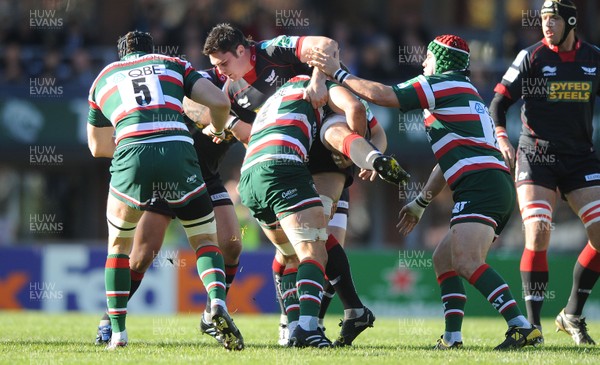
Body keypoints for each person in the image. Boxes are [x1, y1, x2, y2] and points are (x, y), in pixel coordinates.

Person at [309, 34, 543, 350]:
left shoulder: (442, 84)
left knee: (466, 261)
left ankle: (520, 326)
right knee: (444, 259)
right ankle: (452, 338)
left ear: (442, 61)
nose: (423, 63)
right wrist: (421, 202)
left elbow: (384, 95)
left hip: (481, 184)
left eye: (429, 57)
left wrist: (339, 73)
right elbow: (446, 162)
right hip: (489, 182)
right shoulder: (465, 92)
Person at [202, 23, 408, 346]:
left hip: (307, 157)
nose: (220, 72)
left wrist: (317, 81)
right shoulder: (232, 91)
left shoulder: (275, 52)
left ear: (242, 51)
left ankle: (307, 322)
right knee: (313, 244)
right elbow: (220, 116)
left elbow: (329, 49)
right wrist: (225, 124)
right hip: (291, 155)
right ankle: (311, 321)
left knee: (305, 244)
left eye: (223, 64)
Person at [87, 30, 243, 350]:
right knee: (197, 241)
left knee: (119, 245)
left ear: (121, 56)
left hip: (137, 153)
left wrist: (131, 142)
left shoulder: (104, 77)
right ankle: (217, 302)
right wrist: (217, 126)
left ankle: (117, 332)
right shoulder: (174, 64)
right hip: (180, 155)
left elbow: (97, 148)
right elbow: (219, 101)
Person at [489, 0, 600, 345]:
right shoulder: (531, 56)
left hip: (580, 158)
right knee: (537, 232)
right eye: (543, 19)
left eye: (553, 19)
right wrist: (503, 140)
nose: (546, 25)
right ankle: (532, 327)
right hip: (536, 155)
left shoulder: (594, 58)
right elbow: (498, 103)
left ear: (570, 22)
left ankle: (571, 314)